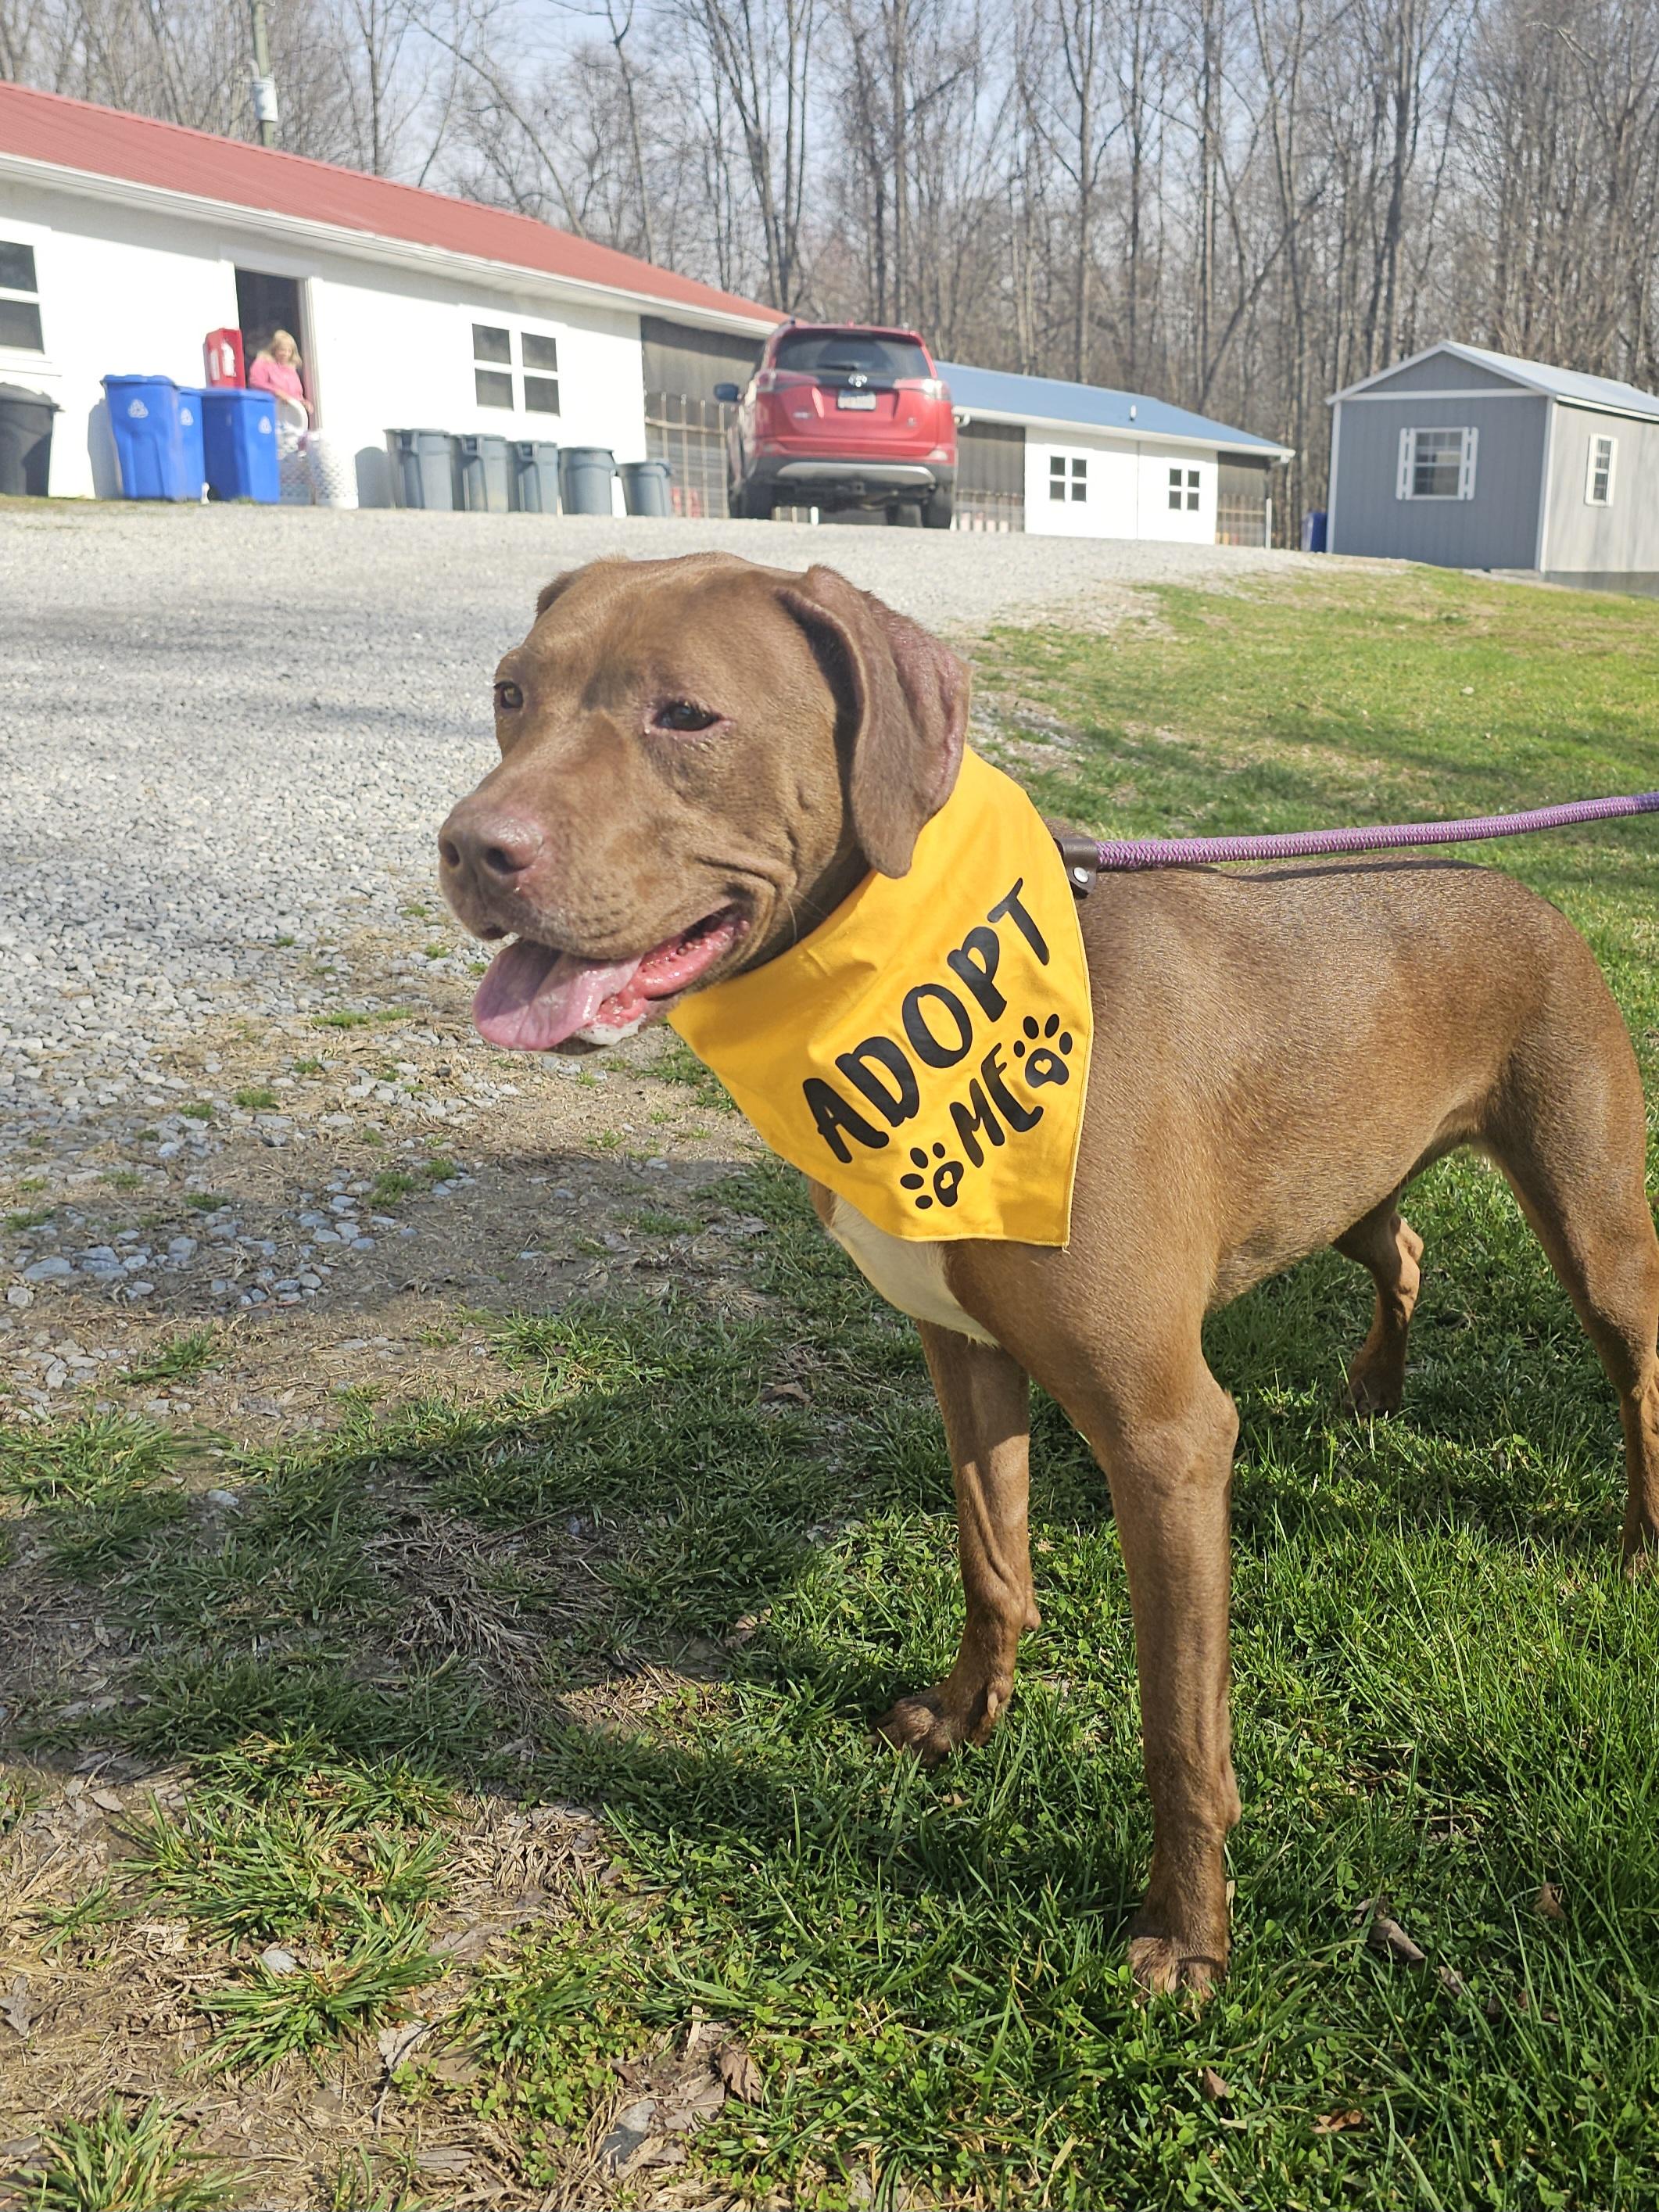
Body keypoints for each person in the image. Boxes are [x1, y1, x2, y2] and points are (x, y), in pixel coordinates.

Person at [247, 329, 312, 420]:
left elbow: (296, 393)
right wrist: (277, 392)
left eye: (289, 351)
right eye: (282, 350)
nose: (286, 354)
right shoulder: (263, 363)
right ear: (274, 349)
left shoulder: (291, 369)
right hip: (269, 413)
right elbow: (256, 383)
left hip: (291, 417)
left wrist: (303, 403)